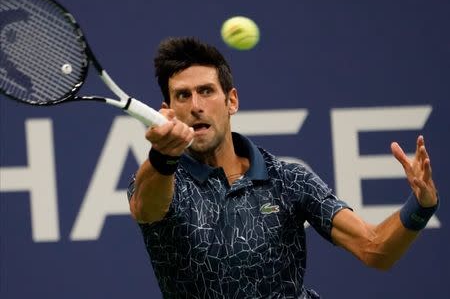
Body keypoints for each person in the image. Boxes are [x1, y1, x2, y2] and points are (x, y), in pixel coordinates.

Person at [127, 37, 439, 298]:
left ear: (231, 101)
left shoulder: (288, 179)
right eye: (183, 95)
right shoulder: (162, 180)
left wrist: (421, 206)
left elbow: (375, 250)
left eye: (206, 91)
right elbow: (146, 207)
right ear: (167, 113)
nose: (195, 106)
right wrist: (163, 156)